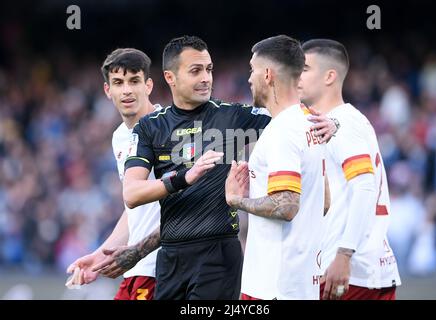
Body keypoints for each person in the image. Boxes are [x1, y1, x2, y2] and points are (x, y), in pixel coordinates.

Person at [92, 35, 337, 300]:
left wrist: (334, 123)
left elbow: (292, 117)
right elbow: (132, 193)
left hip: (218, 257)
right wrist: (185, 177)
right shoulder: (150, 127)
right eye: (196, 71)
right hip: (169, 260)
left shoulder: (233, 117)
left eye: (209, 70)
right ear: (170, 77)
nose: (206, 78)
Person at [224, 35, 328, 300]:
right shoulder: (311, 124)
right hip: (303, 282)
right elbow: (325, 201)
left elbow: (286, 206)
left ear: (268, 75)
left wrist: (238, 200)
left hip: (274, 285)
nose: (249, 78)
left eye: (252, 69)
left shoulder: (282, 130)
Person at [298, 39, 401, 300]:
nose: (297, 75)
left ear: (330, 76)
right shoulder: (339, 121)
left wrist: (344, 255)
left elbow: (364, 186)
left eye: (305, 68)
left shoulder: (342, 122)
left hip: (350, 271)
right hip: (362, 268)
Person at [66, 48, 161, 300]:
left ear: (148, 85)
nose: (127, 90)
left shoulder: (171, 130)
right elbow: (135, 212)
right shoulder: (120, 137)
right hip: (136, 269)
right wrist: (101, 255)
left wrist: (140, 251)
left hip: (164, 269)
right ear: (108, 90)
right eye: (118, 83)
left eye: (134, 81)